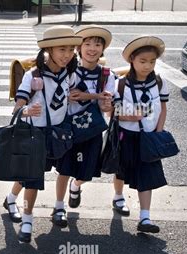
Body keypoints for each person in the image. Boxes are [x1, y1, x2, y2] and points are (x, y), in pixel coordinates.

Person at [9, 25, 81, 242]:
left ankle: (15, 199)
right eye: (62, 49)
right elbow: (17, 107)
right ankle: (28, 220)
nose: (67, 55)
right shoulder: (33, 75)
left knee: (64, 169)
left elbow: (70, 99)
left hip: (60, 132)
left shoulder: (70, 73)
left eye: (71, 49)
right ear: (49, 49)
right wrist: (26, 110)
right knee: (32, 178)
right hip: (36, 134)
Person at [53, 25, 117, 219]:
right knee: (64, 169)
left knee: (86, 172)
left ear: (102, 49)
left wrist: (104, 102)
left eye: (97, 44)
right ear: (79, 48)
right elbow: (71, 95)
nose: (92, 48)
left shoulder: (107, 75)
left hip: (92, 130)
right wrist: (96, 95)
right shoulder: (70, 72)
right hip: (69, 128)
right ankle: (58, 207)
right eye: (87, 44)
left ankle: (76, 186)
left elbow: (107, 107)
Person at [113, 36, 170, 233]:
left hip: (149, 136)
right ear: (132, 61)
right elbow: (113, 112)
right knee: (121, 169)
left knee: (147, 174)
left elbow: (162, 108)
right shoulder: (121, 84)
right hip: (126, 135)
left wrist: (159, 130)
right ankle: (118, 196)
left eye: (152, 62)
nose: (147, 66)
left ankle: (145, 217)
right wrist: (130, 117)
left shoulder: (160, 82)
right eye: (143, 61)